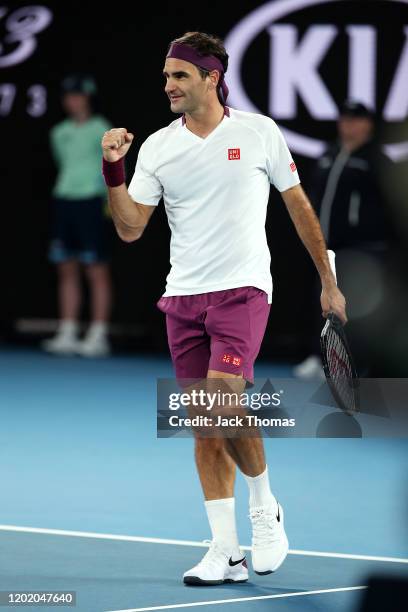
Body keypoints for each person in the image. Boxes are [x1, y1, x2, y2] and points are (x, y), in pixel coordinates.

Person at [101, 32, 346, 585]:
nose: (168, 85)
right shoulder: (160, 147)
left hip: (243, 289)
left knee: (220, 400)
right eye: (165, 76)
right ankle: (225, 550)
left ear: (211, 77)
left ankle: (264, 507)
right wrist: (114, 168)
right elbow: (132, 227)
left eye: (180, 75)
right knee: (204, 427)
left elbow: (297, 205)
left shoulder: (259, 133)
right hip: (183, 294)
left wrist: (327, 280)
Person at [294, 100, 393, 378]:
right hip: (326, 247)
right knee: (323, 303)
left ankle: (360, 365)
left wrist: (374, 239)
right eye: (345, 119)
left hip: (362, 250)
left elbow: (389, 205)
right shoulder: (329, 154)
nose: (349, 125)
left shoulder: (375, 159)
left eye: (356, 120)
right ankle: (320, 356)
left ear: (369, 125)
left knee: (359, 309)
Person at [42, 74, 112, 357]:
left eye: (78, 95)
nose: (72, 100)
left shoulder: (102, 129)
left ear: (87, 98)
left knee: (96, 269)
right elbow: (63, 163)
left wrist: (110, 203)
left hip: (92, 203)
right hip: (64, 201)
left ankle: (98, 334)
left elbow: (112, 167)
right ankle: (68, 331)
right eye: (68, 96)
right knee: (66, 267)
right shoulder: (58, 132)